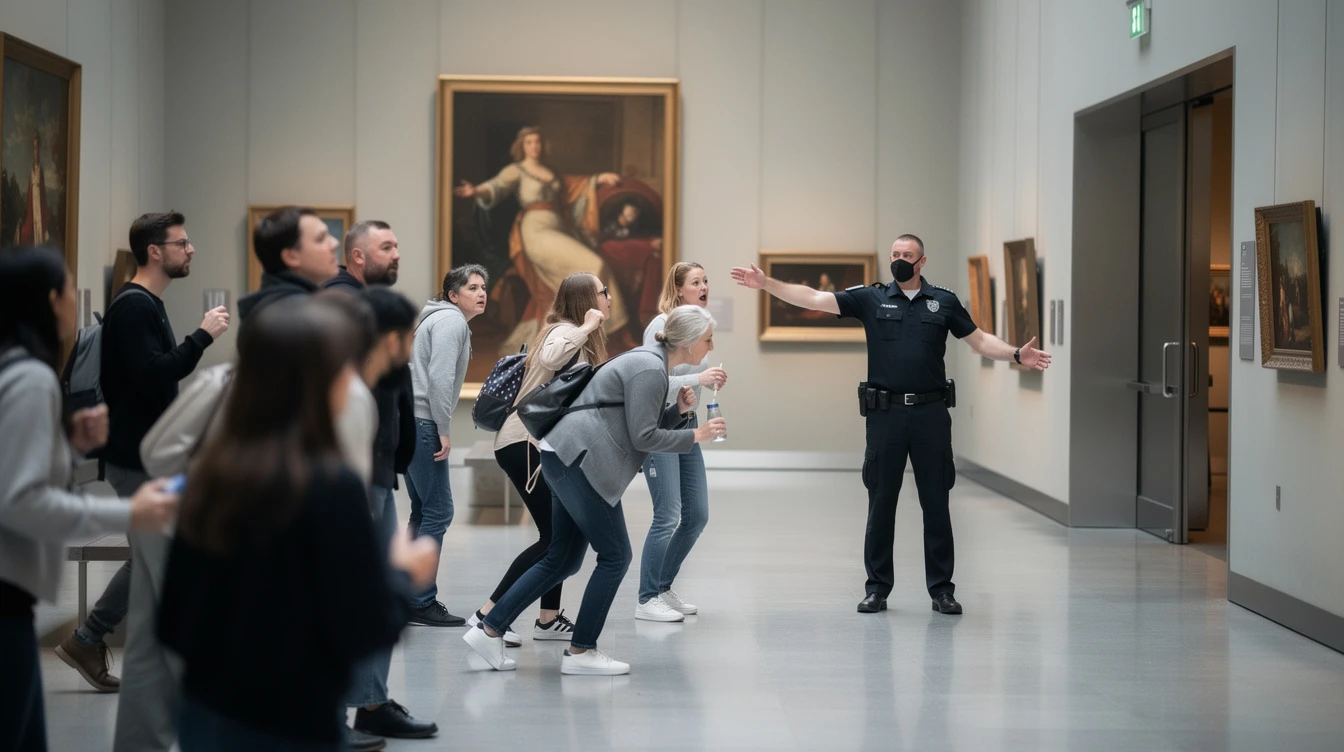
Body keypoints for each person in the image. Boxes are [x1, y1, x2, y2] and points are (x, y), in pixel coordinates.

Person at [158, 298, 438, 752]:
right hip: (293, 718)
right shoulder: (330, 486)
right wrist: (406, 575)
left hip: (205, 712)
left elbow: (171, 622)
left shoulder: (211, 478)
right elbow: (363, 628)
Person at [732, 234, 1052, 615]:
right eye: (895, 254)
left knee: (936, 502)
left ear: (922, 262)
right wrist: (766, 284)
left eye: (907, 256)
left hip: (932, 415)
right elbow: (816, 299)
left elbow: (979, 341)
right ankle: (877, 588)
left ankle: (942, 590)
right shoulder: (871, 297)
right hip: (886, 416)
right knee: (881, 502)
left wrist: (1016, 354)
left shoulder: (944, 301)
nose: (899, 260)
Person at [463, 305, 728, 676]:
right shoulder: (651, 368)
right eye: (707, 340)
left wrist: (680, 414)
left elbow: (637, 424)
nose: (711, 347)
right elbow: (643, 436)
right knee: (616, 555)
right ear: (685, 343)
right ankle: (581, 650)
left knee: (563, 558)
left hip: (564, 453)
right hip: (578, 460)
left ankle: (489, 629)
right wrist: (696, 433)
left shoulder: (651, 363)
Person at [0, 247, 177, 752]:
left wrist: (68, 443)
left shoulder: (17, 369)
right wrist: (132, 511)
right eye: (68, 291)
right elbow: (21, 502)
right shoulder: (31, 379)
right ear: (50, 300)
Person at [55, 213, 224, 703]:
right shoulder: (133, 307)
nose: (191, 250)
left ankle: (99, 641)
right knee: (162, 552)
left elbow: (155, 380)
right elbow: (153, 375)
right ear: (155, 251)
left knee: (165, 550)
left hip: (150, 454)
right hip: (137, 458)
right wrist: (203, 335)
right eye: (182, 243)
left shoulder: (145, 303)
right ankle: (90, 639)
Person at [468, 272, 613, 645]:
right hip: (525, 444)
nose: (609, 298)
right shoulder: (561, 330)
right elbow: (551, 356)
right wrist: (586, 325)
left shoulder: (576, 336)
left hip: (537, 445)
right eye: (603, 292)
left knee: (559, 536)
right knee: (553, 539)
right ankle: (487, 612)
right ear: (586, 299)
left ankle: (547, 619)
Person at [340, 287, 438, 743]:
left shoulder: (386, 374)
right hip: (356, 487)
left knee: (369, 586)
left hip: (380, 477)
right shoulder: (348, 389)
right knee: (351, 590)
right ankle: (328, 714)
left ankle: (371, 702)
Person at [453, 125, 628, 352]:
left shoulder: (551, 172)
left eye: (537, 142)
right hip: (535, 232)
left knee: (589, 271)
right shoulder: (517, 170)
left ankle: (603, 330)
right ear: (522, 147)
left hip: (558, 229)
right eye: (529, 142)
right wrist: (475, 191)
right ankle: (602, 328)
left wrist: (598, 178)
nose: (533, 146)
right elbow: (496, 186)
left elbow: (574, 186)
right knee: (594, 266)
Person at [636, 262, 728, 622]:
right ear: (677, 289)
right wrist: (700, 375)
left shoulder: (700, 325)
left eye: (706, 280)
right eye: (695, 282)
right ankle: (646, 598)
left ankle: (662, 586)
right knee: (668, 515)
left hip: (686, 424)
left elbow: (687, 378)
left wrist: (708, 380)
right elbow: (648, 380)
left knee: (697, 516)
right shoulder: (661, 326)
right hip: (660, 427)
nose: (704, 286)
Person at [405, 264, 488, 626]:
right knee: (439, 511)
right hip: (423, 421)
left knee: (422, 511)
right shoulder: (452, 322)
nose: (481, 293)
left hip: (409, 419)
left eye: (483, 287)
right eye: (472, 288)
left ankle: (406, 595)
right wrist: (443, 427)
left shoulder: (436, 319)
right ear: (453, 295)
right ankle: (420, 600)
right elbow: (439, 379)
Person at [237, 206, 341, 327]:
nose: (335, 243)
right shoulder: (295, 319)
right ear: (291, 257)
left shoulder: (268, 309)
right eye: (321, 239)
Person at [324, 220, 401, 292]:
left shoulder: (366, 295)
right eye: (386, 248)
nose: (397, 256)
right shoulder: (342, 299)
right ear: (358, 256)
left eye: (395, 247)